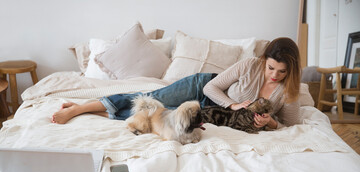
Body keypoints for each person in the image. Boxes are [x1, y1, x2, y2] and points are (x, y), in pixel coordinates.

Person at [52, 37, 301, 130]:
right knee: (150, 100)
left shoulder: (288, 91)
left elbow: (290, 123)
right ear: (263, 60)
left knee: (154, 117)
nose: (274, 75)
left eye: (281, 72)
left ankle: (95, 110)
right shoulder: (250, 65)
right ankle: (80, 108)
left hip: (212, 114)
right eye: (270, 68)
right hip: (202, 89)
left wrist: (270, 123)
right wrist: (233, 105)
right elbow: (210, 89)